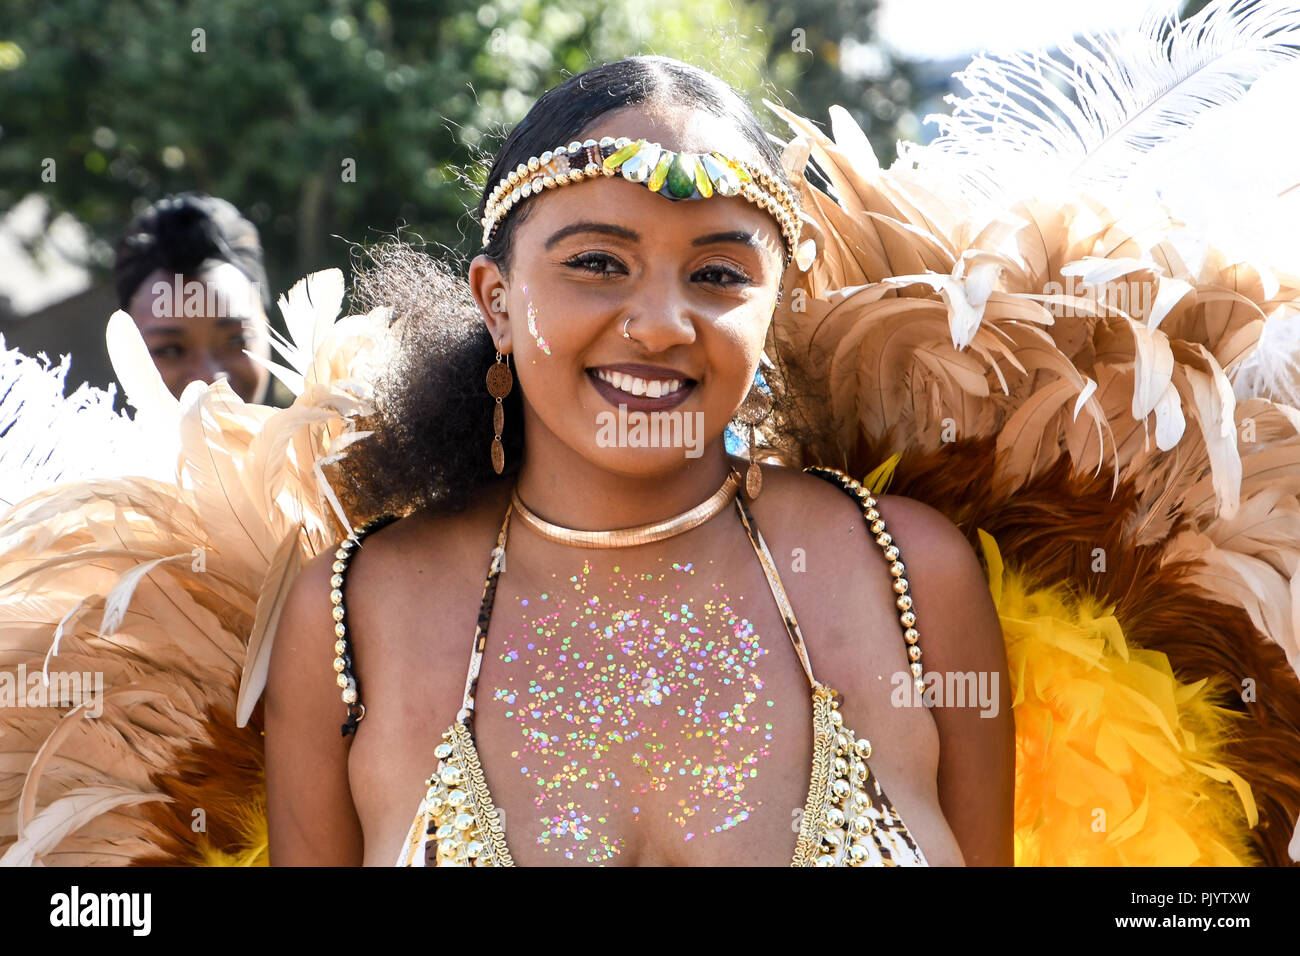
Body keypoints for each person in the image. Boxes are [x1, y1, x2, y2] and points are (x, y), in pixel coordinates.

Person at [264, 55, 1013, 867]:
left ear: (771, 312)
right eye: (596, 263)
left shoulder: (910, 574)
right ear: (498, 302)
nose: (660, 324)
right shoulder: (351, 615)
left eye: (719, 275)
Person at [113, 192, 273, 405]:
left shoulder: (329, 435)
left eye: (237, 340)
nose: (209, 378)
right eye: (170, 350)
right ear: (124, 354)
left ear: (267, 328)